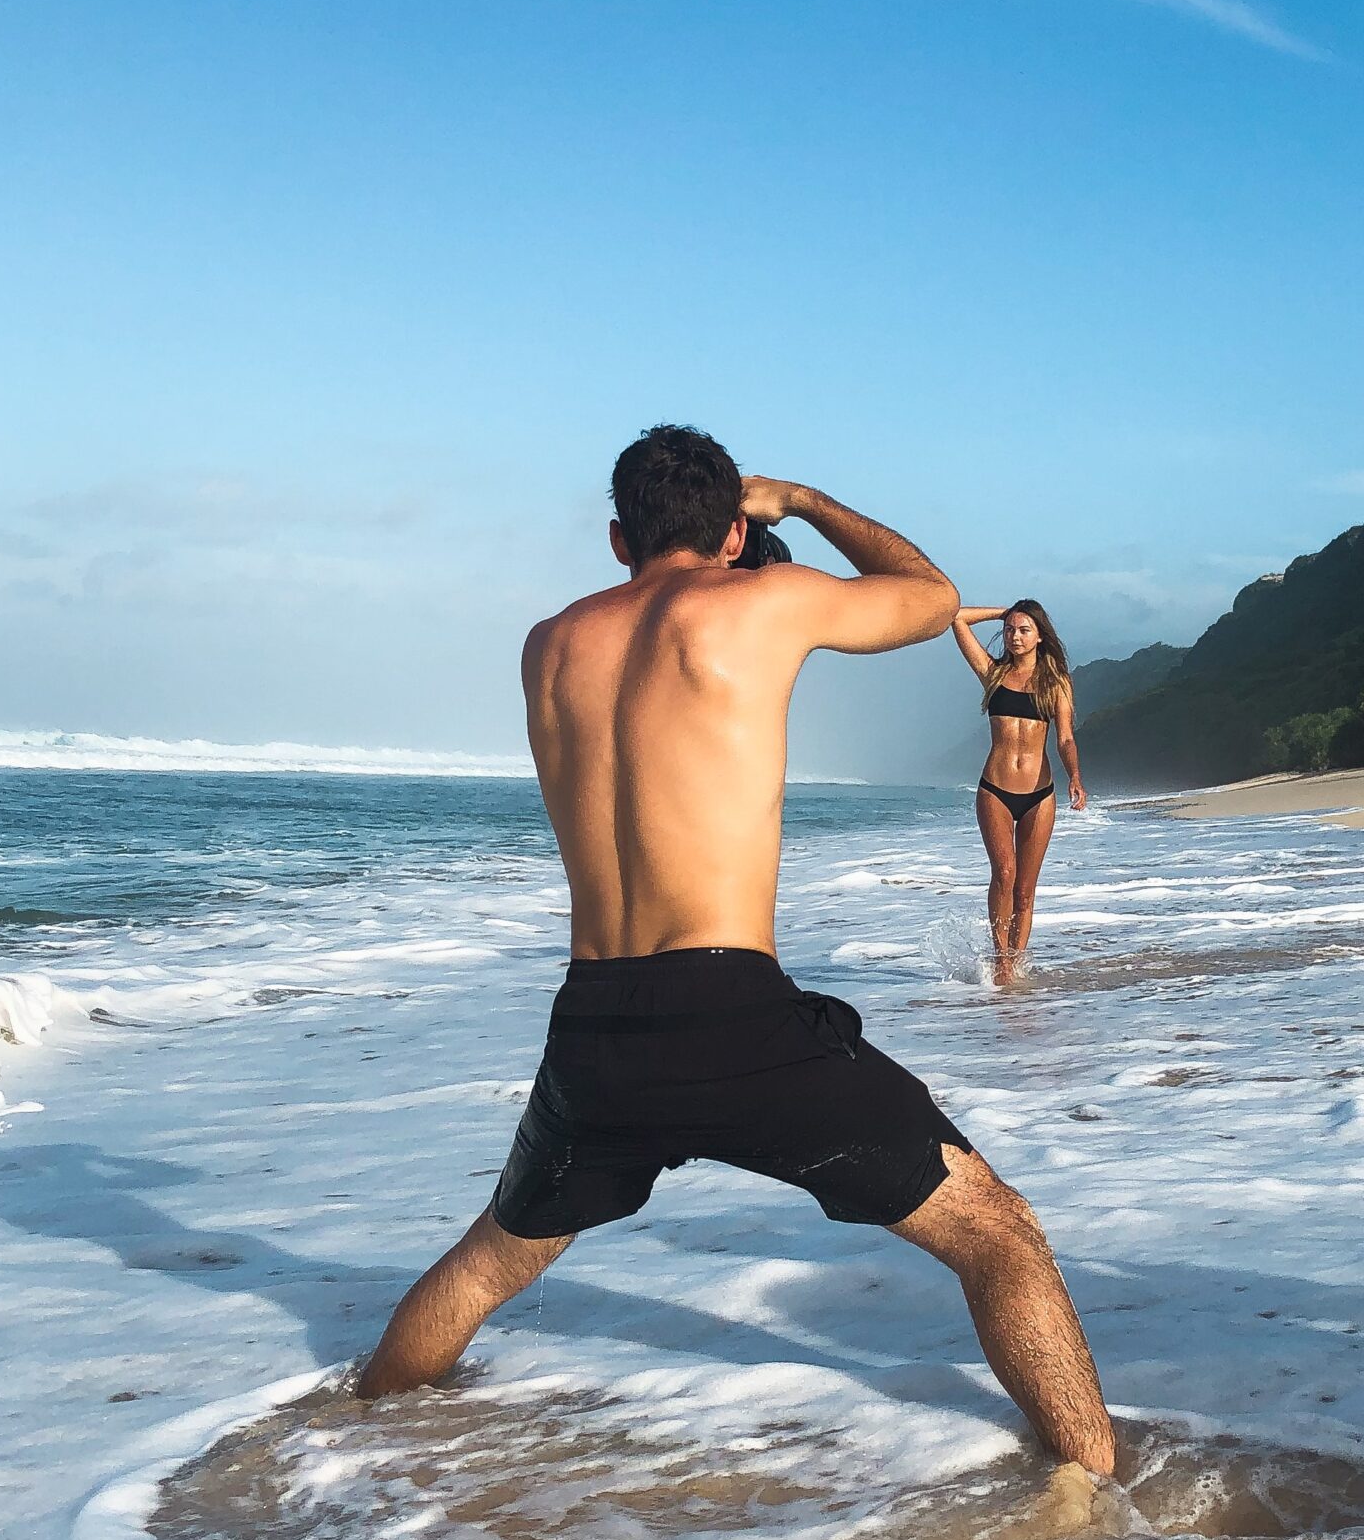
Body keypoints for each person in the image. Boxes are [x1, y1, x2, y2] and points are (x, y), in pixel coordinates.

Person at [356, 428, 1116, 1481]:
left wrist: (732, 535)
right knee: (1001, 1236)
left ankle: (348, 1443)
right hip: (732, 1016)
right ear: (730, 531)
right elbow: (931, 595)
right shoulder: (764, 600)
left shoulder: (547, 643)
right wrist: (796, 499)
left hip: (592, 1029)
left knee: (491, 1260)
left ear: (618, 535)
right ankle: (1099, 1511)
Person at [951, 599, 1085, 975]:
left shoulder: (1056, 682)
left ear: (1040, 636)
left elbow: (1065, 740)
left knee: (1025, 889)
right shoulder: (991, 673)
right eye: (1010, 629)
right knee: (1004, 874)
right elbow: (957, 619)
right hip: (995, 789)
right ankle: (1001, 962)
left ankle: (1016, 959)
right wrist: (1004, 611)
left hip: (1040, 794)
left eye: (1024, 629)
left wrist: (1074, 775)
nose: (1015, 636)